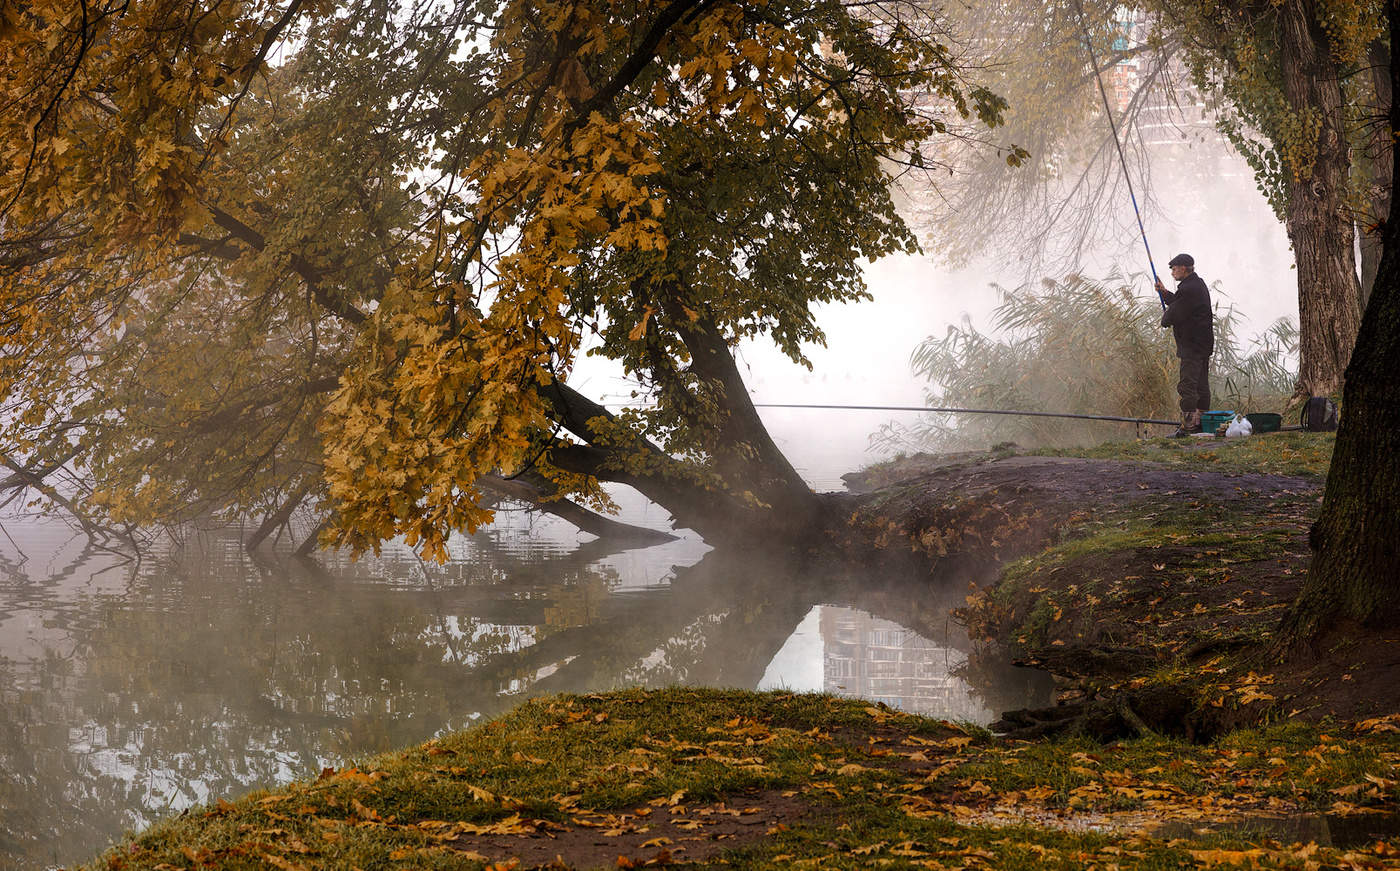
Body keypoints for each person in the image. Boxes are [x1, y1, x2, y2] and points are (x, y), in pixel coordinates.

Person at [1154, 253, 1213, 436]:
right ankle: (1201, 424)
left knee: (1187, 386)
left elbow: (1173, 314)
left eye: (1174, 268)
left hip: (1192, 346)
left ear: (1184, 268)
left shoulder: (1188, 289)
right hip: (1202, 345)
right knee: (1201, 385)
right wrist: (1164, 293)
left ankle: (1188, 428)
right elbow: (1181, 304)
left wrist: (1165, 319)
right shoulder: (1197, 284)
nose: (1172, 272)